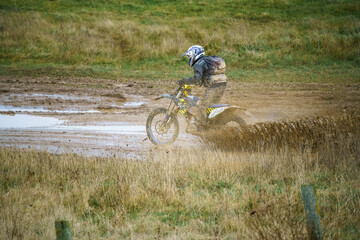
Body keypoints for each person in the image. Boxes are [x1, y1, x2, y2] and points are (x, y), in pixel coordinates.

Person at [177, 45, 227, 132]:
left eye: (190, 56)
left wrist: (185, 81)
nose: (190, 58)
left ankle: (200, 128)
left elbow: (197, 79)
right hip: (223, 84)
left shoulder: (198, 63)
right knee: (210, 106)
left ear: (195, 54)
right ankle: (211, 126)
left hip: (214, 86)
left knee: (201, 104)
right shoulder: (205, 61)